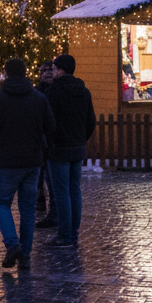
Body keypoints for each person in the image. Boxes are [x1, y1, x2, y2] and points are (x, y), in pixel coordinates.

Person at [0, 57, 55, 270]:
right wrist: (41, 146)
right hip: (33, 160)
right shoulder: (39, 98)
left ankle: (12, 243)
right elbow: (51, 127)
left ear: (6, 73)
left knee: (1, 203)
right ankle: (25, 253)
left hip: (7, 160)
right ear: (25, 73)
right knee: (28, 208)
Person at [43, 54, 96, 247]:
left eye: (54, 69)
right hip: (77, 148)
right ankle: (73, 233)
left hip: (58, 149)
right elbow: (91, 121)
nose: (52, 72)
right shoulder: (84, 91)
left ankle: (64, 234)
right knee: (74, 190)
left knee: (61, 192)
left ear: (61, 70)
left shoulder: (53, 92)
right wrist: (81, 139)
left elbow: (47, 122)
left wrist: (49, 143)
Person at [33, 62, 58, 229]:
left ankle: (54, 212)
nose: (48, 73)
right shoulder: (37, 92)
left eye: (51, 70)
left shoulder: (57, 91)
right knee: (38, 175)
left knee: (52, 179)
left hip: (53, 141)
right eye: (45, 71)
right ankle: (40, 200)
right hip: (38, 140)